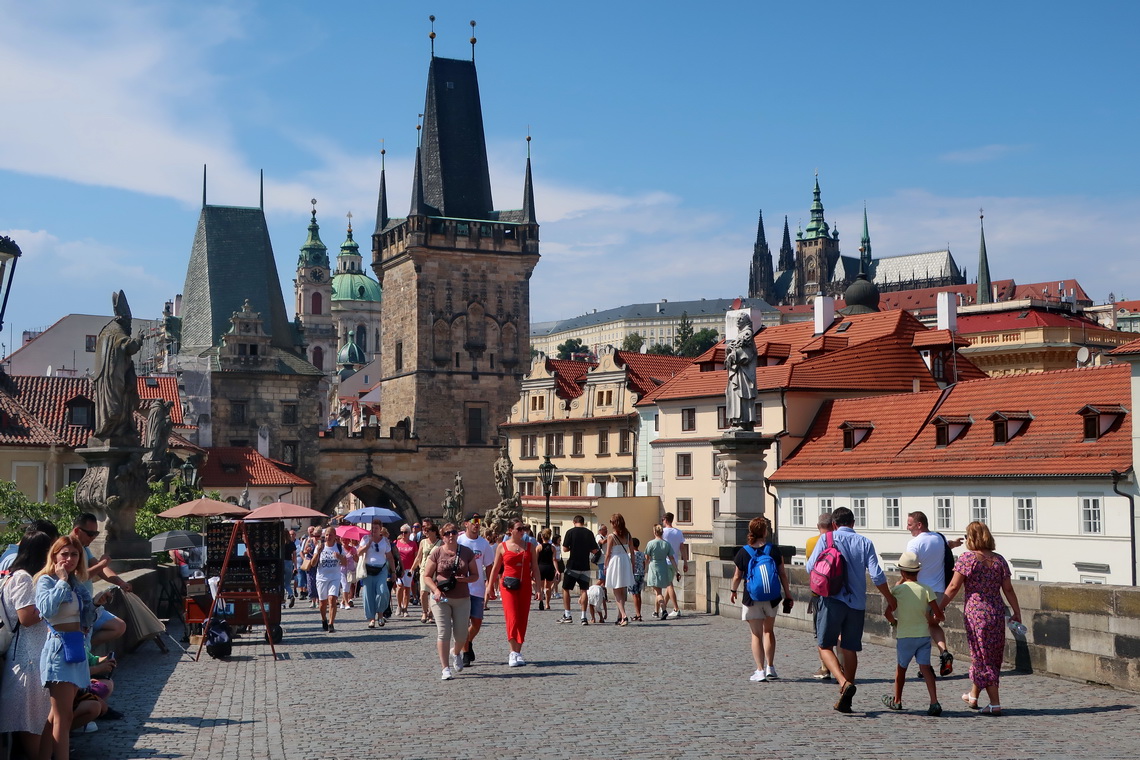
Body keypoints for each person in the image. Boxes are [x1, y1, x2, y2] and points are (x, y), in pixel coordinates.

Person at [806, 506, 896, 713]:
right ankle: (847, 696)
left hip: (832, 600)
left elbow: (810, 567)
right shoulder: (865, 542)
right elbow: (877, 575)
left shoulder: (826, 539)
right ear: (853, 523)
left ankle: (843, 683)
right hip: (856, 604)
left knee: (824, 645)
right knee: (849, 648)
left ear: (835, 524)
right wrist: (890, 599)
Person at [939, 521, 1022, 716]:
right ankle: (974, 695)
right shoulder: (999, 560)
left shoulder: (968, 559)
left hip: (976, 614)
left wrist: (938, 607)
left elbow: (953, 587)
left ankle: (995, 703)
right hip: (995, 612)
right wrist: (1016, 611)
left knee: (981, 657)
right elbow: (1008, 589)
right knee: (988, 655)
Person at [35, 535, 97, 760]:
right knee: (63, 717)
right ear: (54, 555)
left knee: (58, 716)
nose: (69, 559)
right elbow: (46, 610)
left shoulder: (76, 584)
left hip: (75, 648)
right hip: (58, 649)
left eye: (74, 554)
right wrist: (61, 581)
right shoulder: (46, 581)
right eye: (64, 554)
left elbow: (83, 617)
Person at [0, 531, 54, 760]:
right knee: (30, 717)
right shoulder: (22, 577)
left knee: (38, 714)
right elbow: (26, 617)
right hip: (27, 655)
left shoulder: (19, 575)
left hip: (32, 652)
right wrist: (52, 604)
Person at [730, 517, 791, 682]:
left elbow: (737, 576)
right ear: (765, 531)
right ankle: (771, 667)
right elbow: (782, 574)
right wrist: (788, 593)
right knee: (768, 631)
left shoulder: (743, 552)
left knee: (756, 634)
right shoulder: (774, 550)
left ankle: (759, 670)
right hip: (772, 597)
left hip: (752, 597)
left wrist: (733, 590)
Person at [882, 551, 944, 715]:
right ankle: (934, 702)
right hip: (923, 635)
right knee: (926, 669)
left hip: (905, 636)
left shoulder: (898, 591)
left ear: (902, 572)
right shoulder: (926, 589)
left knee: (901, 669)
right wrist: (933, 618)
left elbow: (888, 613)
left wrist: (894, 623)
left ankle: (897, 700)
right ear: (918, 571)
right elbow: (938, 614)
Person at [905, 510, 963, 676]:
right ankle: (944, 653)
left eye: (909, 524)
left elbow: (908, 568)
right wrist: (956, 543)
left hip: (921, 593)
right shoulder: (939, 537)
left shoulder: (914, 543)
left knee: (921, 629)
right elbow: (947, 546)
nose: (907, 528)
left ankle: (925, 667)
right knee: (933, 625)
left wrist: (900, 583)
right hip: (939, 592)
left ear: (919, 525)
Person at [422, 523, 480, 680]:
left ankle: (456, 652)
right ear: (443, 536)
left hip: (462, 598)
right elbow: (427, 575)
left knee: (461, 635)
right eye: (447, 533)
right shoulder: (437, 552)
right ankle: (445, 668)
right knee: (444, 632)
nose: (451, 535)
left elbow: (475, 575)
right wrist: (435, 590)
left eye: (453, 532)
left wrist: (465, 579)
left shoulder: (466, 552)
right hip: (441, 598)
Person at [487, 520, 541, 667]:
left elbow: (535, 568)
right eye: (519, 529)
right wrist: (489, 586)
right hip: (508, 586)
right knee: (512, 617)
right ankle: (512, 651)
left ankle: (518, 652)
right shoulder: (502, 547)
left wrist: (539, 589)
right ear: (510, 530)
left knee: (522, 617)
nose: (522, 531)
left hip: (525, 586)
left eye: (523, 528)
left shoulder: (530, 547)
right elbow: (496, 568)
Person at [70, 513, 129, 648]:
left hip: (89, 604)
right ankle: (84, 649)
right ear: (77, 531)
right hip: (75, 607)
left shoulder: (84, 548)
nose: (93, 538)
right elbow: (77, 577)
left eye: (96, 533)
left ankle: (85, 647)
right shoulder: (68, 550)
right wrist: (102, 564)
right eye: (90, 534)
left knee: (118, 626)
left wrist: (120, 583)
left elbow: (100, 570)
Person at [457, 513, 493, 667]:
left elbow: (490, 565)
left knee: (477, 623)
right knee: (463, 623)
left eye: (479, 521)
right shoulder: (459, 540)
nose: (477, 524)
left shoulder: (483, 543)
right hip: (462, 588)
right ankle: (465, 652)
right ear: (466, 524)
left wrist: (490, 585)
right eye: (474, 521)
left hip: (478, 588)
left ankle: (469, 641)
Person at [807, 511, 840, 680]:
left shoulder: (812, 542)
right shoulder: (840, 539)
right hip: (840, 592)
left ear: (818, 526)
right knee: (840, 632)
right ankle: (841, 664)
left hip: (819, 593)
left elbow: (810, 567)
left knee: (821, 632)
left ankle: (825, 667)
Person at [559, 515, 598, 625]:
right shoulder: (589, 533)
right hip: (585, 565)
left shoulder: (570, 532)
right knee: (584, 590)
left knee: (566, 589)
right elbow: (594, 550)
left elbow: (565, 549)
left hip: (572, 565)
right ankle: (583, 617)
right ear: (583, 522)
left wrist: (573, 548)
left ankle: (568, 614)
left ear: (574, 522)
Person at [724, 310, 758, 429]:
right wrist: (729, 351)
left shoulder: (747, 334)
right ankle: (737, 421)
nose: (737, 320)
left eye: (740, 319)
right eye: (737, 319)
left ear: (746, 321)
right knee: (734, 394)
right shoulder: (741, 334)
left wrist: (733, 355)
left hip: (744, 373)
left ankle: (744, 422)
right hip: (737, 371)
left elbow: (746, 354)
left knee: (742, 394)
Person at [358, 523, 395, 629]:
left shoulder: (385, 541)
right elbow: (359, 552)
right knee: (368, 595)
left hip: (381, 570)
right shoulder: (365, 539)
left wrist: (393, 572)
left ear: (380, 529)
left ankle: (380, 614)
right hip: (368, 569)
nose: (374, 530)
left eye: (376, 528)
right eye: (372, 528)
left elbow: (390, 557)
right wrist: (368, 544)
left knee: (382, 591)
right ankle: (372, 619)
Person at [314, 527, 349, 633]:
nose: (328, 537)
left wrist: (339, 557)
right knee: (322, 603)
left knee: (332, 599)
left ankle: (331, 623)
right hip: (321, 578)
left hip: (335, 577)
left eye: (331, 535)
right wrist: (317, 553)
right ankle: (324, 619)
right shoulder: (320, 547)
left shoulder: (338, 547)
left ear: (335, 536)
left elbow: (345, 563)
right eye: (327, 535)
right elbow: (313, 564)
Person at [603, 513, 634, 626]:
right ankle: (619, 616)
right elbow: (632, 552)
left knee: (617, 591)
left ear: (615, 523)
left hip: (615, 561)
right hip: (625, 560)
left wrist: (605, 566)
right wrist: (633, 566)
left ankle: (624, 615)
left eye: (611, 522)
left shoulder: (611, 536)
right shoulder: (628, 535)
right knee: (622, 590)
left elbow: (607, 554)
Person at [644, 524, 676, 620]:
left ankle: (664, 609)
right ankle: (656, 611)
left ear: (654, 532)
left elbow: (647, 557)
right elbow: (672, 558)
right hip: (663, 567)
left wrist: (644, 568)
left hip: (654, 567)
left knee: (658, 593)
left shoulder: (651, 543)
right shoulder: (666, 544)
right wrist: (677, 569)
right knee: (659, 591)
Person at [412, 523, 441, 624]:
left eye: (428, 530)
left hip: (436, 571)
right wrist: (412, 568)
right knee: (423, 592)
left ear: (434, 532)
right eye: (425, 530)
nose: (425, 532)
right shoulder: (423, 542)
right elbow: (419, 557)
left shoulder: (440, 543)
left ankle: (431, 613)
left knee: (434, 593)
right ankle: (424, 612)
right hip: (424, 570)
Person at [661, 512, 688, 618]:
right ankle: (663, 606)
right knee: (669, 584)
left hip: (666, 561)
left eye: (663, 519)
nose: (662, 521)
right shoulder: (678, 532)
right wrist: (685, 562)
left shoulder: (663, 532)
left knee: (669, 585)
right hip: (675, 562)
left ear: (666, 520)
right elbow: (682, 548)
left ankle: (676, 608)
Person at [394, 524, 419, 617]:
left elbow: (416, 557)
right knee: (400, 586)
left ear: (409, 533)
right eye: (402, 532)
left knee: (407, 589)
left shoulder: (413, 544)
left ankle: (405, 608)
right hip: (399, 569)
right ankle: (399, 606)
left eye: (405, 532)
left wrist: (414, 568)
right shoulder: (396, 542)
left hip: (409, 569)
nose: (403, 534)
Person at [536, 528, 559, 611]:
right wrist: (557, 570)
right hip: (549, 567)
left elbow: (535, 560)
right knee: (548, 587)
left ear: (542, 536)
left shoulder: (538, 547)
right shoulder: (553, 548)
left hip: (540, 567)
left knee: (541, 586)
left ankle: (541, 600)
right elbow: (554, 560)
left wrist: (532, 570)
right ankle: (547, 604)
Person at [627, 537, 646, 621]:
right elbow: (644, 564)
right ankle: (639, 613)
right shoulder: (642, 554)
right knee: (639, 594)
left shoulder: (630, 555)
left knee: (634, 595)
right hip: (641, 575)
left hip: (633, 575)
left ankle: (638, 614)